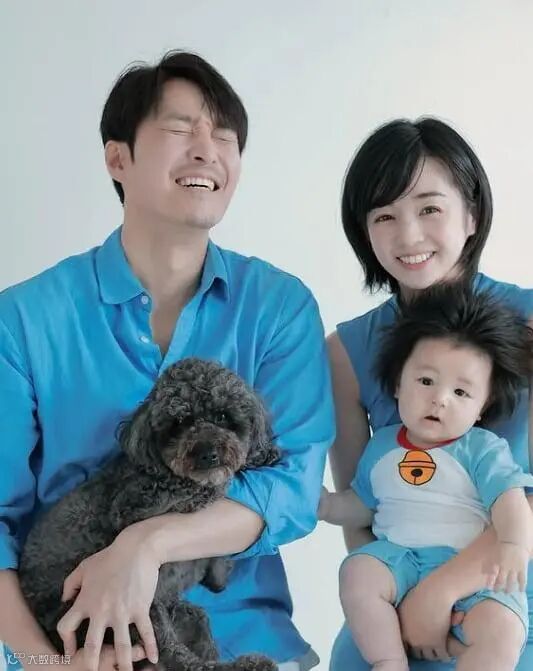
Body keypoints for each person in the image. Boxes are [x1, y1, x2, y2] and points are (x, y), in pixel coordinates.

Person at [0, 50, 334, 671]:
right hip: (74, 641)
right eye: (181, 128)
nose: (208, 150)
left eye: (226, 137)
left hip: (246, 637)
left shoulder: (279, 307)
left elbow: (293, 485)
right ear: (117, 158)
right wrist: (43, 665)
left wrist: (145, 544)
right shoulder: (22, 320)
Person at [326, 117, 533, 670]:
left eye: (429, 209)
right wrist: (395, 605)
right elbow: (362, 506)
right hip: (397, 608)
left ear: (472, 214)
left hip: (509, 604)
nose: (408, 236)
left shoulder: (529, 322)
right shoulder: (346, 351)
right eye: (384, 216)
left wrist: (441, 591)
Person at [320, 286, 533, 671]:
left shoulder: (482, 449)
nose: (440, 399)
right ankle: (388, 660)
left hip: (468, 569)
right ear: (398, 384)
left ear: (482, 407)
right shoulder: (383, 446)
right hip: (399, 558)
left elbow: (510, 499)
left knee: (502, 628)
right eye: (425, 381)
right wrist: (327, 506)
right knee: (357, 572)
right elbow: (363, 504)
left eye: (461, 392)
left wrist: (514, 545)